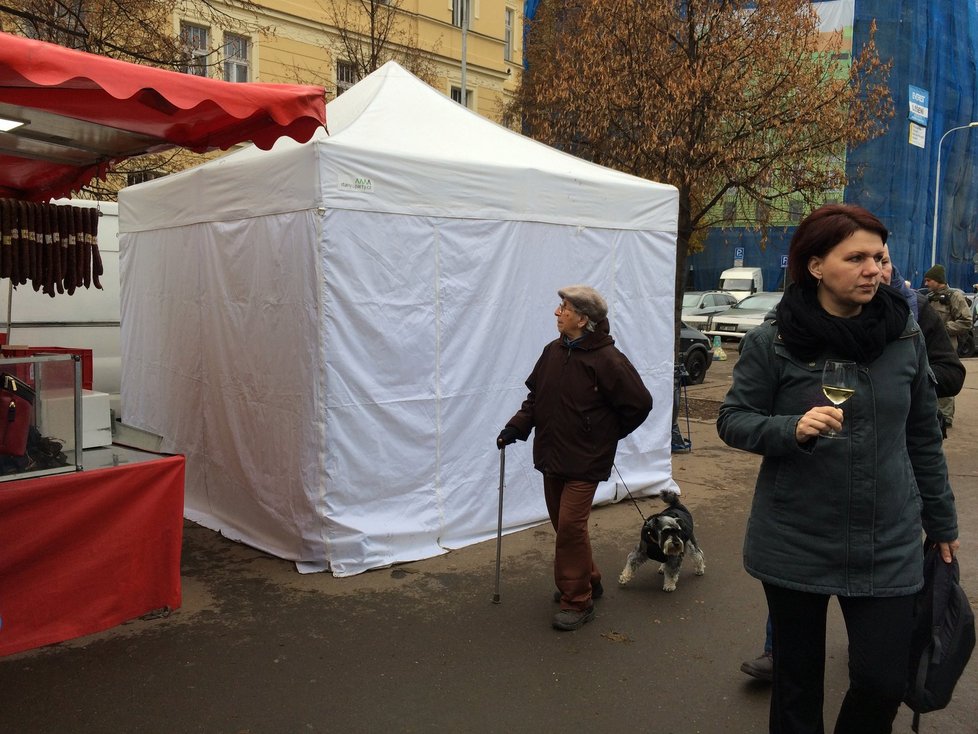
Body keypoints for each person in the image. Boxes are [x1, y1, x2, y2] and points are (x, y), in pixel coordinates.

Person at [717, 204, 959, 733]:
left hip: (887, 538)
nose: (875, 268)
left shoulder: (905, 338)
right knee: (797, 685)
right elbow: (733, 420)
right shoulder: (774, 340)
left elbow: (922, 436)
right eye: (857, 257)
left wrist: (942, 522)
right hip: (795, 537)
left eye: (879, 256)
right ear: (815, 265)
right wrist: (789, 429)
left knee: (882, 681)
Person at [496, 285, 652, 631]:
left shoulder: (608, 360)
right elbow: (535, 400)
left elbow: (640, 404)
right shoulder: (553, 352)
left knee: (569, 526)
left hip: (585, 459)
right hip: (552, 454)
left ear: (582, 319)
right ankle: (588, 579)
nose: (557, 312)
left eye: (563, 308)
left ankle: (577, 600)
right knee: (563, 526)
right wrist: (515, 428)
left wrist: (603, 437)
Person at [922, 263, 972, 430]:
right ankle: (933, 415)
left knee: (945, 379)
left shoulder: (955, 296)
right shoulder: (929, 298)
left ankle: (946, 418)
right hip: (928, 347)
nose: (926, 284)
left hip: (947, 347)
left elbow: (966, 322)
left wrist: (942, 329)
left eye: (929, 280)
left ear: (938, 280)